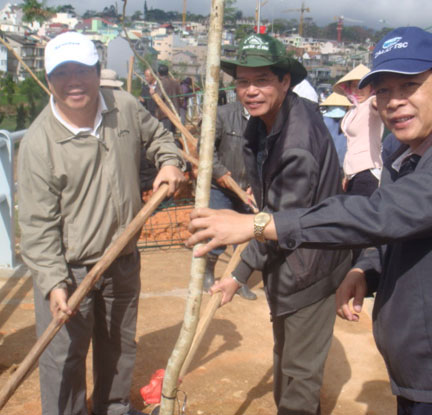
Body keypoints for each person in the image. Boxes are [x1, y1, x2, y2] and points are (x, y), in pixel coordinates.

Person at [188, 26, 432, 415]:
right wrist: (367, 270)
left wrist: (256, 225)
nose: (395, 102)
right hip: (427, 371)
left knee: (298, 375)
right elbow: (410, 231)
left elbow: (381, 213)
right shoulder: (414, 153)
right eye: (384, 91)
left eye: (410, 86)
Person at [17, 32, 186, 415]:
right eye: (63, 73)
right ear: (49, 80)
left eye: (82, 70)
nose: (73, 81)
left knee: (119, 346)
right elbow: (37, 225)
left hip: (122, 260)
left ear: (97, 72)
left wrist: (169, 160)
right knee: (63, 357)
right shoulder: (39, 144)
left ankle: (112, 407)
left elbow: (159, 135)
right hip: (70, 271)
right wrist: (52, 282)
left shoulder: (123, 107)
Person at [209, 33, 351, 415]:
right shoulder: (264, 121)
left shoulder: (296, 144)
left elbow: (277, 222)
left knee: (298, 377)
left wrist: (238, 274)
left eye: (262, 80)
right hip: (286, 260)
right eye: (242, 81)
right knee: (286, 360)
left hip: (310, 266)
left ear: (285, 81)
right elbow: (269, 211)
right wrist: (241, 275)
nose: (250, 91)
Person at [202, 100, 257, 300]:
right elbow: (206, 148)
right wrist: (219, 172)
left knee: (244, 239)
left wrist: (256, 183)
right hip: (220, 187)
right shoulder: (223, 114)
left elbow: (264, 154)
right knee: (217, 235)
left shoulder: (263, 119)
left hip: (247, 190)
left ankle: (238, 280)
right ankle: (208, 272)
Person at [334, 64, 384, 196]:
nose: (358, 90)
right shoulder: (353, 109)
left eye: (363, 85)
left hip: (368, 171)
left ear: (371, 87)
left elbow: (379, 104)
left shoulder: (371, 103)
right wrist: (347, 174)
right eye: (354, 86)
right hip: (353, 173)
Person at [157, 64, 182, 133]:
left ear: (158, 73)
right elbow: (181, 97)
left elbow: (158, 98)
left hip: (165, 114)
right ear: (168, 72)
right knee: (172, 133)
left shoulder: (160, 83)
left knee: (166, 135)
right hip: (175, 112)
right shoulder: (176, 82)